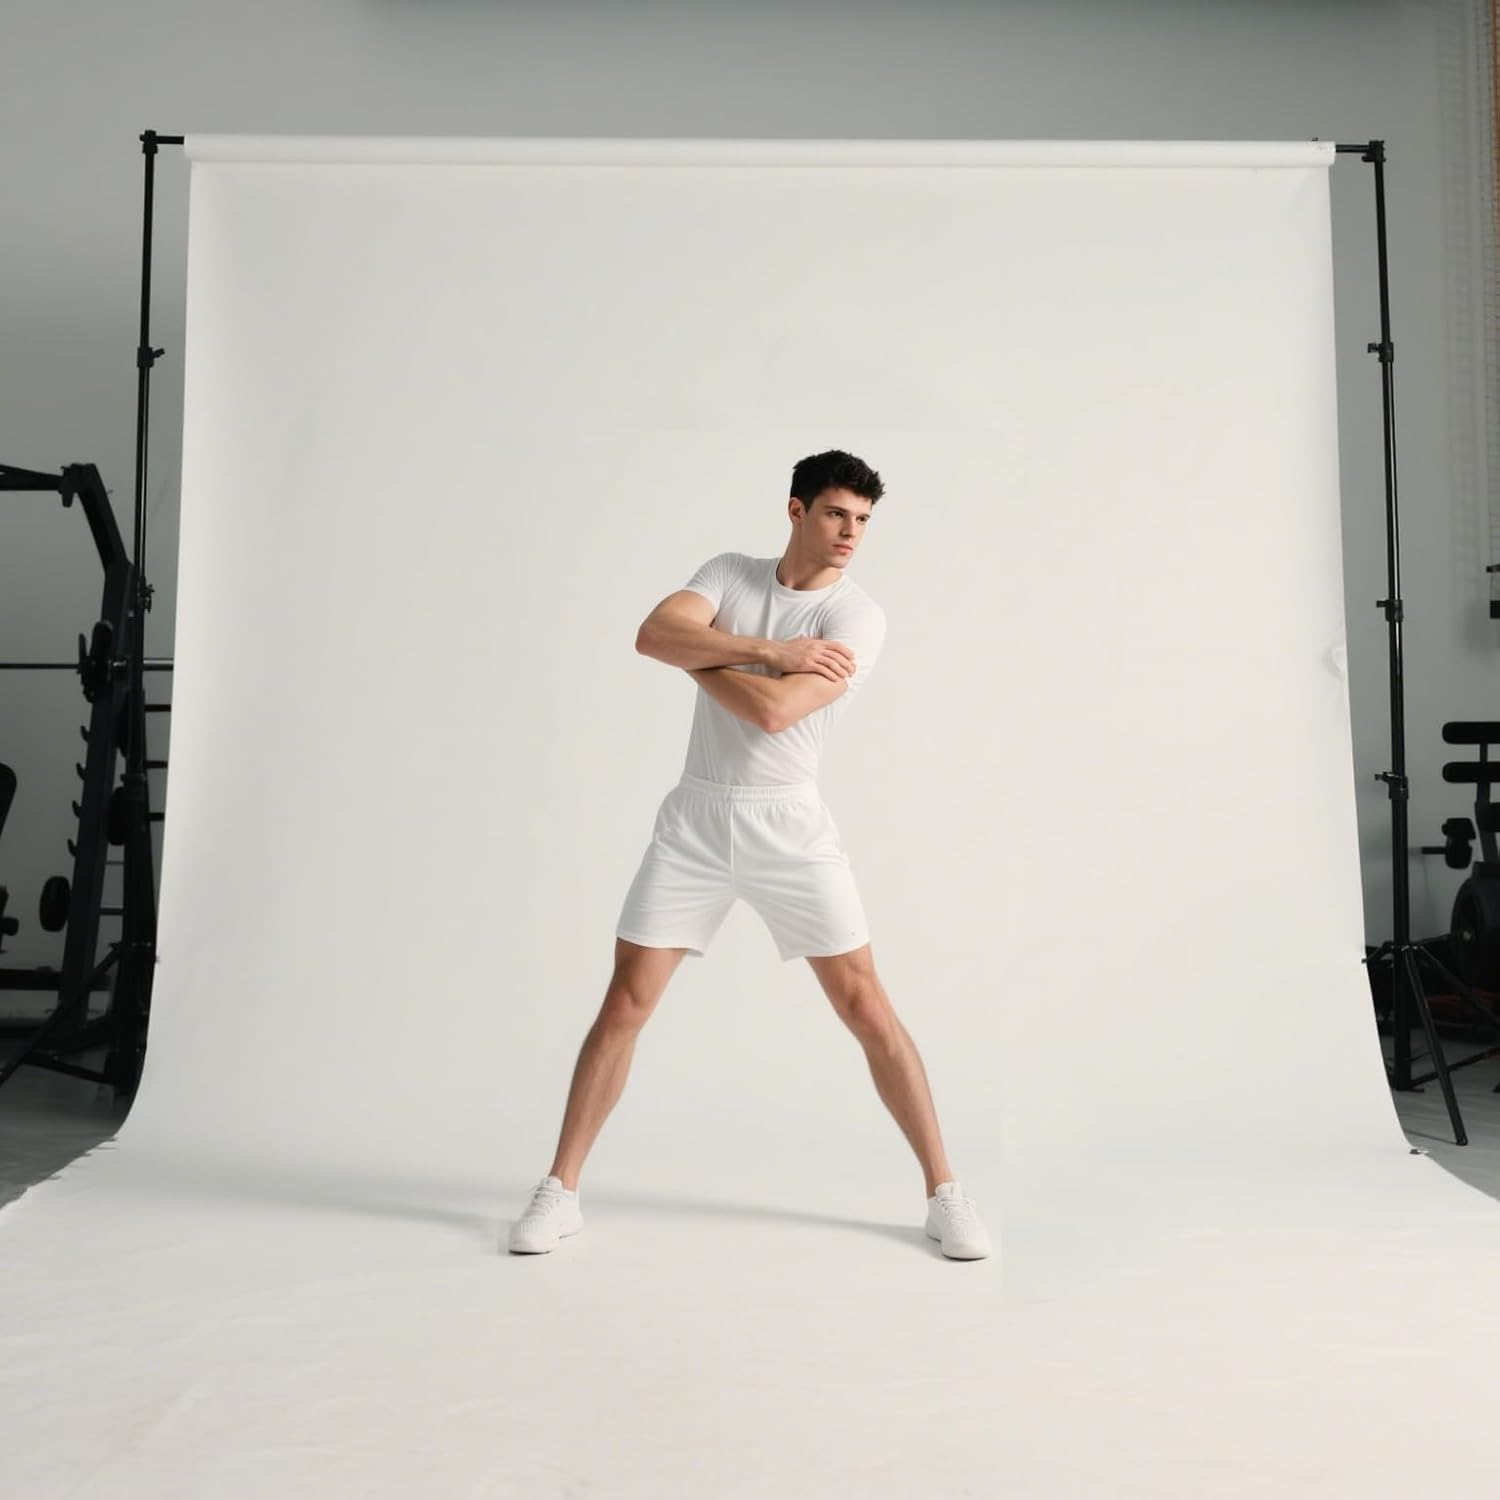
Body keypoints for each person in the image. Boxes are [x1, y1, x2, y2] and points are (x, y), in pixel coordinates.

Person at [508, 450, 991, 1261]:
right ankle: (560, 1190)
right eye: (837, 514)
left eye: (864, 520)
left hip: (790, 825)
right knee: (625, 1003)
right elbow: (651, 633)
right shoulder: (730, 572)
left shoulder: (856, 617)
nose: (851, 533)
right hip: (694, 820)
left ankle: (946, 1194)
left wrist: (700, 653)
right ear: (797, 510)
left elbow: (774, 714)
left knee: (867, 1008)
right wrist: (770, 651)